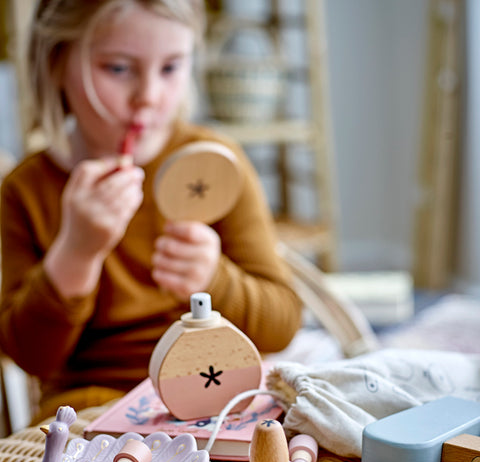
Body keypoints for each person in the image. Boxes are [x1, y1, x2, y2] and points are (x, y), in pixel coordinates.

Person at [0, 0, 302, 423]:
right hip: (90, 405)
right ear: (55, 62)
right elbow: (30, 356)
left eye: (171, 67)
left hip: (220, 396)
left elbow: (282, 324)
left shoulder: (215, 164)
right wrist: (75, 254)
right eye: (119, 68)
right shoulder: (25, 191)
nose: (149, 97)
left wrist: (214, 277)